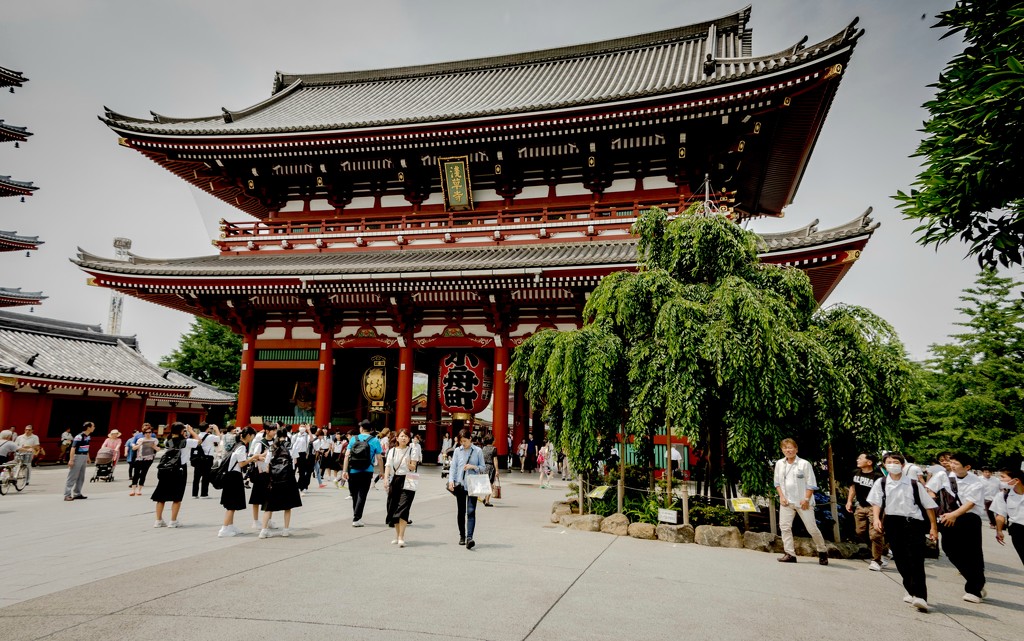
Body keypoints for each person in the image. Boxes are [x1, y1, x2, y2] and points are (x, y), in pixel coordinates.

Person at [868, 452, 938, 612]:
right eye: (889, 462)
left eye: (896, 462)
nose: (892, 464)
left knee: (916, 559)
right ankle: (910, 588)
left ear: (903, 465)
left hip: (914, 523)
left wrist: (934, 527)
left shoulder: (914, 484)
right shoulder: (882, 482)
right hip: (893, 522)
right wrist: (877, 519)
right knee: (900, 559)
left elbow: (929, 506)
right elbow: (876, 502)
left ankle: (921, 596)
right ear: (884, 465)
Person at [933, 452, 987, 603]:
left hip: (969, 518)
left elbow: (970, 503)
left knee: (972, 553)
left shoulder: (976, 482)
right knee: (949, 549)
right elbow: (930, 490)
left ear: (967, 467)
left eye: (956, 464)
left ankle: (974, 590)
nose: (952, 466)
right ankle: (976, 580)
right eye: (951, 463)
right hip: (947, 517)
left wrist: (954, 515)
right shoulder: (942, 476)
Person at [773, 438, 828, 565]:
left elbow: (811, 484)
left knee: (812, 528)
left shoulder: (804, 464)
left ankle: (822, 550)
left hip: (803, 502)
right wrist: (781, 496)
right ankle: (790, 553)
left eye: (791, 447)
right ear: (782, 450)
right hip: (786, 502)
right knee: (785, 527)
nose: (788, 450)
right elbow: (777, 483)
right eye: (785, 448)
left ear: (796, 449)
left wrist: (806, 499)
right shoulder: (780, 464)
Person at [151, 422, 200, 527]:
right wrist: (191, 431)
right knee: (177, 497)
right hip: (179, 469)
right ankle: (173, 521)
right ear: (182, 431)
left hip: (166, 469)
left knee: (161, 496)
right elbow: (199, 441)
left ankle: (158, 520)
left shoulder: (167, 441)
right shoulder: (186, 441)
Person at [845, 452, 887, 571]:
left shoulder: (878, 476)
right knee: (860, 532)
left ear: (869, 462)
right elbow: (853, 488)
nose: (857, 460)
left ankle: (876, 560)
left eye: (860, 458)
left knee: (875, 534)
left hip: (874, 507)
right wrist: (849, 501)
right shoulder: (855, 473)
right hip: (860, 506)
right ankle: (881, 551)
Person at [219, 427, 262, 537]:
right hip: (234, 476)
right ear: (248, 435)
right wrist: (254, 458)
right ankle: (224, 529)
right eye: (252, 435)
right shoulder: (242, 447)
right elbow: (242, 464)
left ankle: (230, 526)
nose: (253, 438)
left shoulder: (237, 445)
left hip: (230, 475)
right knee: (232, 504)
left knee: (231, 503)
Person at [260, 426, 302, 538]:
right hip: (287, 479)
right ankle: (286, 530)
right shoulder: (290, 446)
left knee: (269, 506)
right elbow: (295, 462)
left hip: (273, 479)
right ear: (286, 434)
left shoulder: (272, 447)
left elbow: (267, 464)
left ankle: (263, 531)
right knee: (287, 506)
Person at [448, 429, 485, 550]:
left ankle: (470, 537)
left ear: (470, 439)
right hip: (460, 484)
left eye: (464, 441)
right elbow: (453, 467)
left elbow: (483, 468)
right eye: (461, 441)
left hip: (473, 484)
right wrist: (451, 481)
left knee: (471, 511)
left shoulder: (478, 451)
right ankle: (462, 536)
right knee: (461, 511)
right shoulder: (458, 451)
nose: (462, 443)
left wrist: (473, 466)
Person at [384, 429, 420, 547]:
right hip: (396, 479)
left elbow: (413, 467)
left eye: (406, 436)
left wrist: (408, 463)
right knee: (393, 507)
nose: (404, 438)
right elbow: (388, 466)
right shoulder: (392, 451)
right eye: (402, 436)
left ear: (409, 439)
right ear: (397, 438)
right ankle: (397, 534)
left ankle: (401, 537)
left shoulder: (412, 450)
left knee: (404, 507)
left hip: (409, 478)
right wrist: (385, 480)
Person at [343, 420, 382, 526]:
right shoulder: (375, 440)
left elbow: (347, 455)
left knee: (355, 494)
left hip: (353, 470)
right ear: (371, 430)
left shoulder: (353, 439)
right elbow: (379, 457)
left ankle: (356, 516)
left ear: (361, 428)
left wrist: (344, 471)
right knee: (362, 494)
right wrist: (381, 471)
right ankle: (356, 518)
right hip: (367, 470)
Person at [993, 467, 1024, 566]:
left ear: (1016, 480)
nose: (1000, 480)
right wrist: (999, 531)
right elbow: (1000, 515)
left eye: (1003, 477)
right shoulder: (1002, 496)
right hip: (1018, 531)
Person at [64, 422, 95, 501]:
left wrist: (88, 457)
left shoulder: (88, 437)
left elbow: (86, 447)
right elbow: (73, 448)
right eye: (93, 426)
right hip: (77, 456)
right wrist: (71, 460)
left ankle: (77, 493)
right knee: (72, 476)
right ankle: (67, 495)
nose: (94, 427)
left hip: (84, 456)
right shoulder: (79, 436)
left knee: (81, 476)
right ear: (88, 427)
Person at [191, 423, 220, 499]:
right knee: (206, 476)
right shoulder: (210, 436)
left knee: (196, 476)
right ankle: (204, 493)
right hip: (208, 458)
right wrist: (216, 429)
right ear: (207, 428)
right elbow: (219, 438)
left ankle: (194, 493)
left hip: (198, 458)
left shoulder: (197, 436)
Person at [130, 425, 160, 495]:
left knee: (143, 473)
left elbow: (158, 449)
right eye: (146, 432)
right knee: (136, 474)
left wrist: (153, 446)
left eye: (149, 432)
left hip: (148, 459)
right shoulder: (140, 439)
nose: (148, 434)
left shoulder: (154, 440)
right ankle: (133, 490)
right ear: (144, 433)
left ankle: (139, 490)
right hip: (139, 458)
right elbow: (134, 448)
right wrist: (140, 444)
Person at [123, 426, 145, 494]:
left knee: (137, 469)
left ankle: (135, 480)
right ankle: (131, 476)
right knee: (131, 466)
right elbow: (127, 446)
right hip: (131, 455)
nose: (137, 434)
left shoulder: (141, 439)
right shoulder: (130, 440)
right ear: (133, 434)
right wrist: (126, 452)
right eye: (136, 433)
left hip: (139, 456)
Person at [480, 436, 498, 506]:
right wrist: (497, 470)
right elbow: (495, 460)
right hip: (491, 467)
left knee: (485, 484)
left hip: (484, 467)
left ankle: (485, 498)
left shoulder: (483, 448)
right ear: (492, 441)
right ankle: (487, 501)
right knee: (490, 484)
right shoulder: (494, 449)